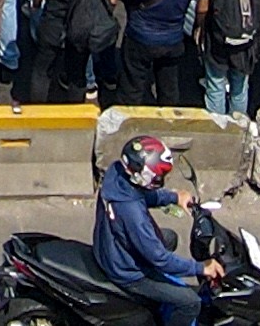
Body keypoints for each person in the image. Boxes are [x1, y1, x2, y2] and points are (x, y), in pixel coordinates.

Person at [91, 132, 218, 326]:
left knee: (169, 238)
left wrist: (174, 197)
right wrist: (201, 268)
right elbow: (160, 259)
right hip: (127, 272)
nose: (161, 180)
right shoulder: (133, 214)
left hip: (110, 247)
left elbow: (140, 195)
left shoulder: (115, 173)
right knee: (190, 302)